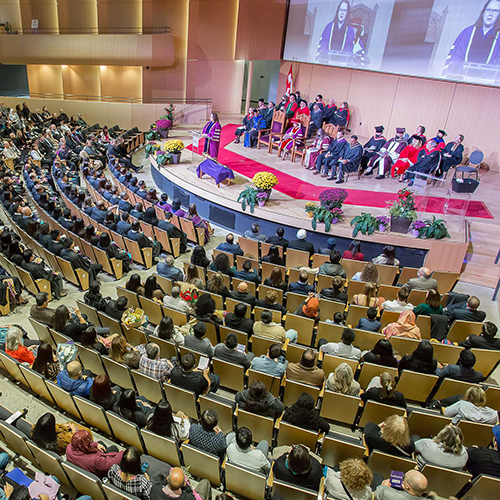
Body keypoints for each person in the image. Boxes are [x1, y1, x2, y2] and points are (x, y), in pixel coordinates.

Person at [443, 0, 500, 77]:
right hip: (462, 80)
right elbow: (454, 58)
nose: (490, 14)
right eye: (488, 10)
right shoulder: (467, 33)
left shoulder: (498, 38)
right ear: (483, 12)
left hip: (485, 84)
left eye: (495, 11)